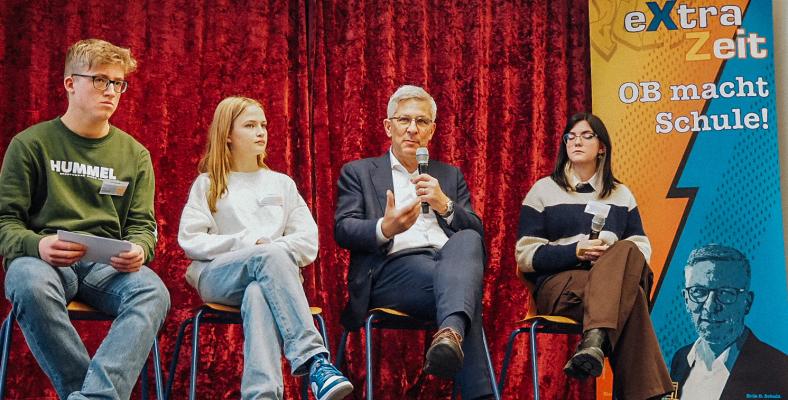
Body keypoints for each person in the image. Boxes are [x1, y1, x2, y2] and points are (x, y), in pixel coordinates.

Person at [0, 39, 170, 399]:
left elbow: (143, 226)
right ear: (69, 84)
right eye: (100, 80)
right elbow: (5, 222)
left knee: (153, 291)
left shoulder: (135, 154)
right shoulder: (30, 145)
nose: (111, 91)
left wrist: (140, 249)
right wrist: (37, 244)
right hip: (44, 261)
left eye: (118, 83)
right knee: (27, 281)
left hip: (105, 267)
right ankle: (91, 394)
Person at [177, 96, 353, 400]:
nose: (261, 132)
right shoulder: (208, 184)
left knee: (258, 292)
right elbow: (191, 240)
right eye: (250, 125)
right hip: (218, 278)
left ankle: (262, 395)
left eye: (263, 125)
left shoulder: (281, 183)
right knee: (268, 257)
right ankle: (314, 361)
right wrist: (247, 243)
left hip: (274, 279)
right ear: (228, 135)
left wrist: (270, 249)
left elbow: (308, 242)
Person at [334, 85, 494, 400]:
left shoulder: (448, 176)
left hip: (447, 264)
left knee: (468, 238)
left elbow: (477, 231)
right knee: (464, 295)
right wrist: (385, 227)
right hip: (391, 271)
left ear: (432, 130)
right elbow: (344, 228)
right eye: (404, 120)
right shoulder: (360, 172)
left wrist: (445, 204)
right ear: (387, 126)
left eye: (421, 122)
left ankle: (450, 334)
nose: (412, 129)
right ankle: (480, 388)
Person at [515, 112, 673, 400]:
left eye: (586, 136)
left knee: (626, 250)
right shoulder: (543, 190)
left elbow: (641, 251)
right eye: (570, 136)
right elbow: (525, 255)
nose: (576, 141)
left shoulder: (621, 195)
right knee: (632, 299)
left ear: (602, 147)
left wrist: (609, 253)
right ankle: (646, 391)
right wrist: (575, 251)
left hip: (605, 287)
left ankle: (594, 340)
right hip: (561, 287)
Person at [670, 244, 788, 400]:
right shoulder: (680, 359)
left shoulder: (779, 369)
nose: (710, 306)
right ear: (686, 299)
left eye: (725, 293)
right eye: (698, 291)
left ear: (747, 302)